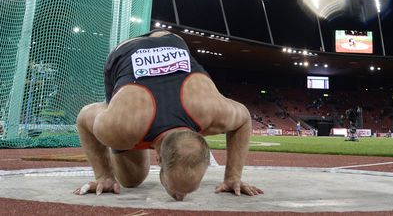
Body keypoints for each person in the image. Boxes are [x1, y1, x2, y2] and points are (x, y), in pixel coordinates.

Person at [74, 29, 263, 201]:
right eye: (177, 189)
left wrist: (232, 177)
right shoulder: (121, 126)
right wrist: (104, 176)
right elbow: (84, 118)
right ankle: (111, 103)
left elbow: (244, 118)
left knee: (132, 177)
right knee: (131, 179)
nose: (180, 197)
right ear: (159, 158)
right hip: (124, 54)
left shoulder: (211, 109)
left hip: (167, 38)